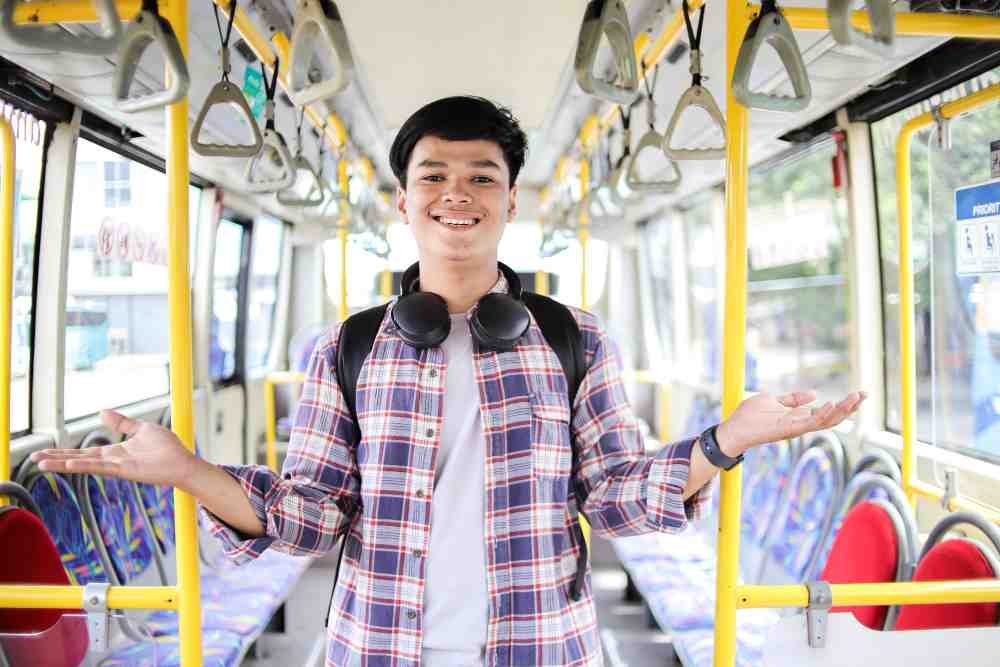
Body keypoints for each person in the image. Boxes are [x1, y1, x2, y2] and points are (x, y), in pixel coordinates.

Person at [32, 96, 865, 667]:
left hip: (541, 642)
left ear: (509, 202)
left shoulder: (576, 340)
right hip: (379, 644)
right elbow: (311, 515)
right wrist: (188, 471)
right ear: (404, 200)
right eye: (433, 175)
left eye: (481, 177)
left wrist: (728, 440)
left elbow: (614, 497)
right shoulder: (347, 348)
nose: (455, 194)